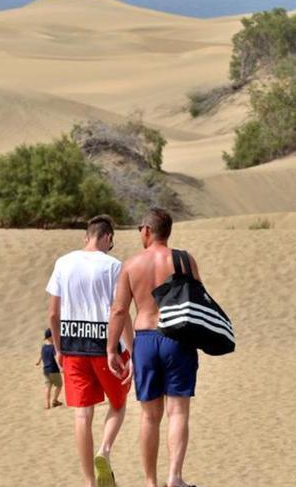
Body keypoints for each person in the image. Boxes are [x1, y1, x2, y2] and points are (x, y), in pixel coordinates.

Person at [107, 207, 200, 487]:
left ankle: (151, 482)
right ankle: (175, 477)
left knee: (149, 416)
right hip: (178, 339)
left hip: (146, 340)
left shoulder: (132, 264)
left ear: (146, 231)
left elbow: (120, 310)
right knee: (178, 411)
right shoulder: (185, 261)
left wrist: (113, 348)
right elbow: (197, 301)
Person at [46, 215, 133, 487]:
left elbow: (52, 314)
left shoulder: (63, 262)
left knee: (82, 414)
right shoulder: (114, 266)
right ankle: (104, 450)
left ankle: (88, 482)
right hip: (105, 345)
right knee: (118, 405)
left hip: (72, 346)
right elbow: (121, 312)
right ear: (107, 237)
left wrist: (58, 348)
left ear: (87, 237)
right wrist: (131, 348)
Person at [36, 328, 63, 409]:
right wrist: (60, 367)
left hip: (46, 370)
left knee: (48, 387)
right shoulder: (53, 347)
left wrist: (38, 362)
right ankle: (54, 400)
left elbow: (41, 355)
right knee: (59, 385)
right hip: (54, 370)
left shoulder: (44, 347)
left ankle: (47, 404)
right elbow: (55, 358)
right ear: (51, 337)